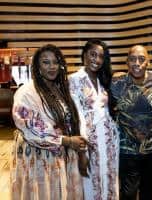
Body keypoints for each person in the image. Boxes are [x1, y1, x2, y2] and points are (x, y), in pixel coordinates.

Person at [10, 44, 87, 200]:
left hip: (61, 154)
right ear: (37, 66)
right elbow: (30, 128)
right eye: (46, 62)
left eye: (55, 62)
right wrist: (66, 140)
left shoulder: (60, 88)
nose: (52, 67)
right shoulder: (26, 92)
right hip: (38, 157)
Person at [68, 39, 119, 200]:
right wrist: (82, 152)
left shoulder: (104, 80)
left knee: (109, 184)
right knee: (90, 187)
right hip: (89, 145)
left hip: (109, 143)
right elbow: (74, 118)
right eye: (92, 54)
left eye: (100, 57)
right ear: (84, 55)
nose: (96, 60)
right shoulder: (73, 80)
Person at [111, 45, 152, 200]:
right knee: (128, 194)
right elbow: (108, 110)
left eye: (142, 59)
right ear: (127, 62)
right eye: (132, 59)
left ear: (148, 62)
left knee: (148, 193)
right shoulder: (117, 82)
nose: (137, 63)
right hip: (128, 150)